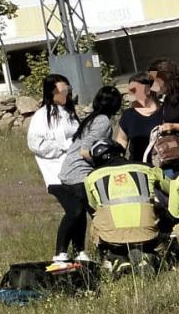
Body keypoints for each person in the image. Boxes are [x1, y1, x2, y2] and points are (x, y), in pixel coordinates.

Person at [51, 85, 127, 268]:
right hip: (80, 173)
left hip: (68, 172)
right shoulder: (103, 122)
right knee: (98, 213)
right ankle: (109, 252)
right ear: (116, 105)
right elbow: (86, 151)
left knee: (78, 213)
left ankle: (77, 252)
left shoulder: (92, 118)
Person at [83, 139, 167, 275]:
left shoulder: (91, 177)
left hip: (111, 237)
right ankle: (147, 255)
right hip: (148, 232)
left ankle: (117, 258)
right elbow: (171, 189)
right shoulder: (147, 168)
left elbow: (93, 206)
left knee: (96, 221)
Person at [27, 73, 80, 264]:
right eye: (62, 90)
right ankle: (60, 252)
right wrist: (63, 147)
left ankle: (80, 251)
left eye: (68, 89)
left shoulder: (70, 113)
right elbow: (35, 144)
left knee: (81, 210)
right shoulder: (41, 116)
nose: (66, 93)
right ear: (52, 92)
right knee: (73, 210)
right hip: (56, 174)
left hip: (76, 171)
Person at [114, 73, 164, 164]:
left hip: (164, 167)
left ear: (148, 90)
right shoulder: (128, 115)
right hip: (138, 168)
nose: (130, 93)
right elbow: (121, 141)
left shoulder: (165, 111)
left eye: (135, 89)